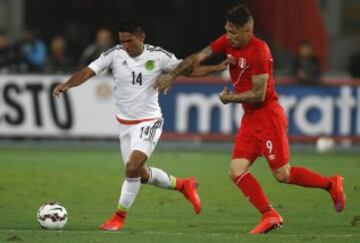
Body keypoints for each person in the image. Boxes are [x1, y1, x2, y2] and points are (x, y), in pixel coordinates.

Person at [154, 5, 345, 234]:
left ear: (248, 30)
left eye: (234, 32)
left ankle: (331, 184)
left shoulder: (260, 51)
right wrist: (172, 76)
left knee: (282, 174)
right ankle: (270, 214)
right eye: (227, 31)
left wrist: (230, 98)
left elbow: (259, 94)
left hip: (268, 117)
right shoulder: (227, 41)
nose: (229, 36)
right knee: (236, 170)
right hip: (251, 118)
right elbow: (198, 57)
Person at [53, 17, 227, 231]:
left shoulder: (158, 56)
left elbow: (188, 69)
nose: (125, 46)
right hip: (125, 125)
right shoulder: (114, 55)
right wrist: (67, 84)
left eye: (129, 41)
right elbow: (89, 71)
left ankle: (118, 218)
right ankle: (184, 185)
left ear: (141, 37)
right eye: (122, 41)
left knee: (132, 167)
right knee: (141, 174)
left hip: (149, 121)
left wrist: (217, 67)